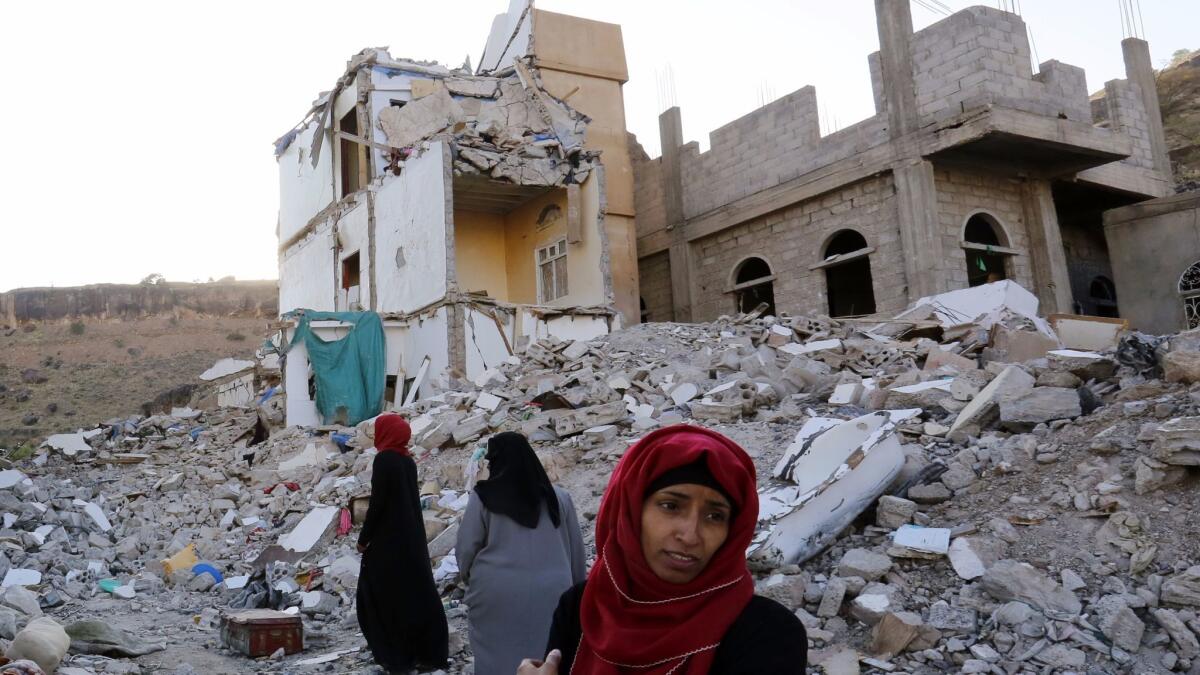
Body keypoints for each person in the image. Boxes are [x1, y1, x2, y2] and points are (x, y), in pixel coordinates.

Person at [519, 424, 807, 675]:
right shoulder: (582, 608)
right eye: (671, 506)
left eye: (714, 516)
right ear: (630, 513)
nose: (690, 535)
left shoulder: (767, 635)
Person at [456, 432, 586, 675]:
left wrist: (469, 579)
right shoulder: (560, 497)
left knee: (497, 659)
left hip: (495, 593)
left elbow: (466, 549)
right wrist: (578, 593)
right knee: (550, 655)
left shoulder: (484, 498)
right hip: (555, 593)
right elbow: (576, 551)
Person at [356, 414, 449, 674]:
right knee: (414, 593)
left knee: (375, 594)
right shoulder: (407, 461)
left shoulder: (384, 460)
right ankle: (427, 652)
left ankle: (393, 655)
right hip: (411, 541)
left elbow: (378, 503)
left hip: (388, 542)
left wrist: (364, 539)